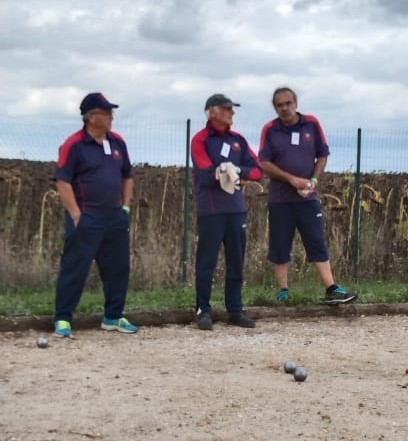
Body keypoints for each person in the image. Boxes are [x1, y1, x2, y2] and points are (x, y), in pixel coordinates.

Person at [258, 86, 357, 305]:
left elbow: (322, 154)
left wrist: (313, 180)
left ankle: (331, 288)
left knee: (316, 240)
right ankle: (283, 291)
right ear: (275, 107)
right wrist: (291, 179)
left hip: (308, 197)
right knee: (280, 244)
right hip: (281, 198)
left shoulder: (311, 124)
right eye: (279, 105)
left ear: (295, 103)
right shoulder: (270, 129)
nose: (284, 108)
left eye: (288, 103)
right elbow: (263, 162)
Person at [53, 92, 138, 337]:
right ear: (90, 117)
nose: (112, 117)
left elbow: (127, 176)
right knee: (75, 268)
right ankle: (63, 319)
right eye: (106, 112)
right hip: (87, 218)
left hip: (115, 218)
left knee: (118, 269)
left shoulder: (117, 142)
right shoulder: (74, 144)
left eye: (111, 112)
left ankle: (113, 316)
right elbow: (62, 181)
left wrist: (125, 207)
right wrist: (77, 215)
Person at [191, 93, 263, 330]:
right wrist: (222, 172)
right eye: (226, 109)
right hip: (211, 210)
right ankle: (203, 309)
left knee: (236, 261)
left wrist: (236, 171)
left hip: (236, 209)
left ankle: (235, 309)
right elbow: (205, 173)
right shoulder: (200, 140)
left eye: (232, 109)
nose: (232, 113)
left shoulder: (238, 141)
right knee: (206, 262)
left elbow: (257, 171)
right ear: (212, 111)